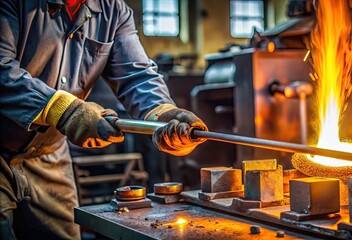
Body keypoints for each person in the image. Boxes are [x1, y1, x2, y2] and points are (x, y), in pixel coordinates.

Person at [0, 0, 207, 239]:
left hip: (48, 153)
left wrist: (163, 113)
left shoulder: (112, 10)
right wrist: (64, 110)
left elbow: (136, 76)